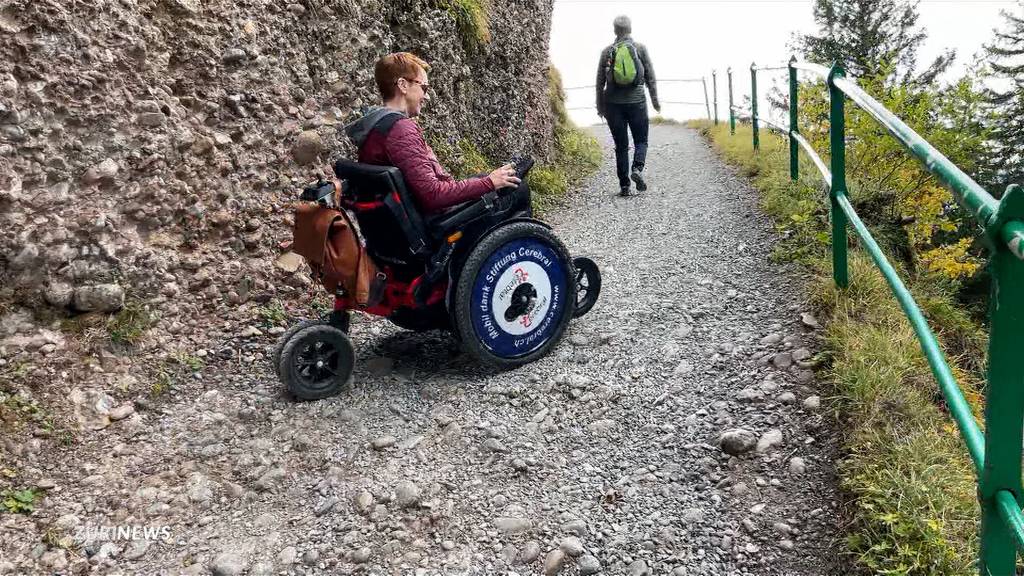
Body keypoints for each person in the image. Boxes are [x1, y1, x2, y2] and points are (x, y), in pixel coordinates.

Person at [345, 52, 526, 215]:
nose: (426, 96)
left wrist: (487, 180)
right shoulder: (400, 129)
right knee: (518, 189)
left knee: (499, 179)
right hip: (439, 226)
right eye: (424, 88)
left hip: (412, 220)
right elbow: (433, 195)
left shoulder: (374, 127)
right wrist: (490, 182)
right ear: (403, 85)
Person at [595, 15, 659, 197]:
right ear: (630, 29)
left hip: (613, 104)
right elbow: (650, 77)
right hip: (637, 101)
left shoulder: (607, 52)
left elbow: (599, 82)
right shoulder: (639, 48)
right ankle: (637, 169)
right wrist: (655, 101)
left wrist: (600, 106)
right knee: (641, 140)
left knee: (621, 145)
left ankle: (624, 185)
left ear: (615, 30)